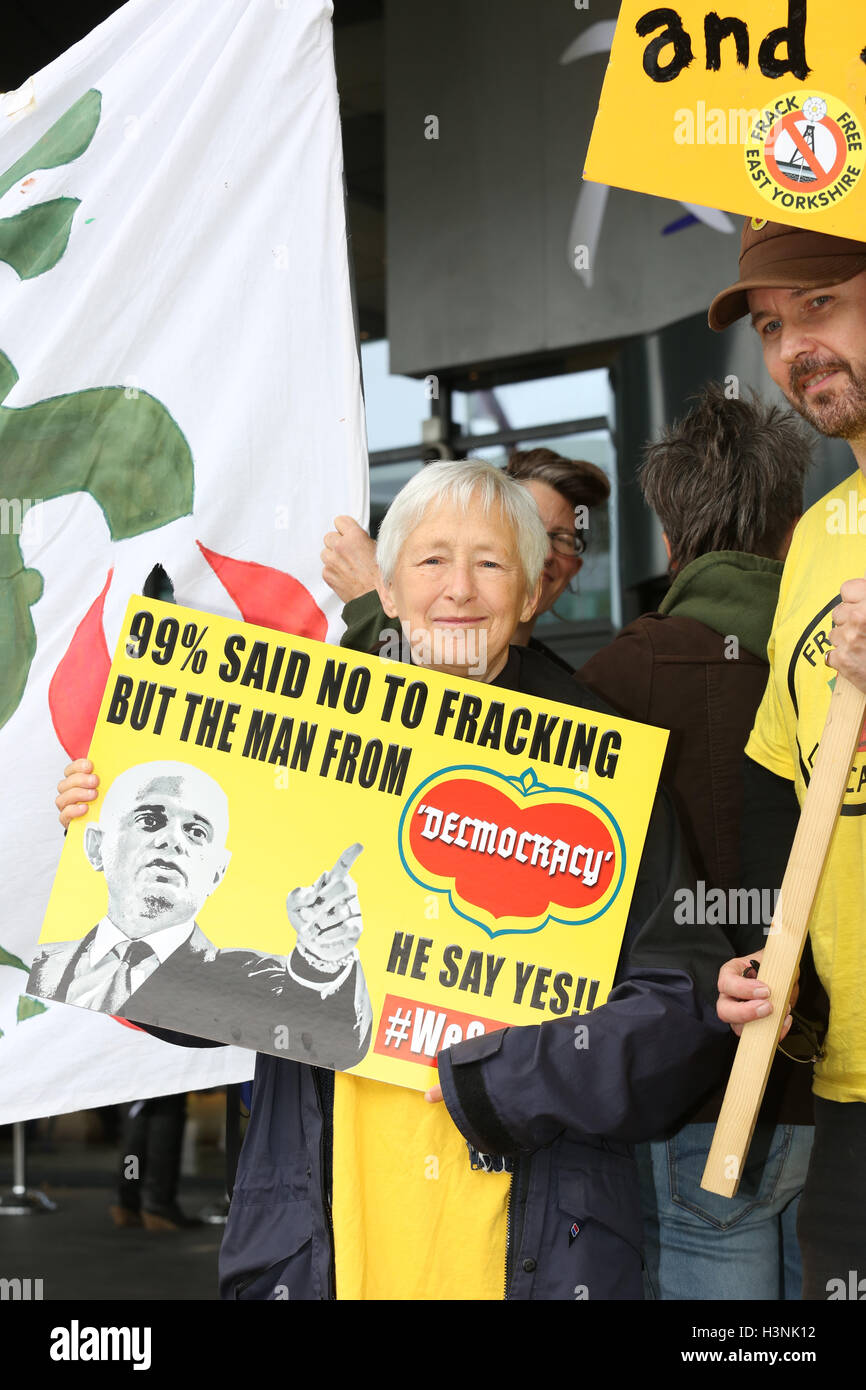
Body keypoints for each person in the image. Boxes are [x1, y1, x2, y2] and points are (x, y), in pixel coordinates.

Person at [62, 459, 739, 1300]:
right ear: (384, 590)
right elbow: (188, 1010)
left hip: (532, 1248)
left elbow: (680, 1002)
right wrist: (120, 863)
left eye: (491, 563)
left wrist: (498, 1081)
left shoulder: (604, 767)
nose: (459, 589)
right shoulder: (295, 739)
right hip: (323, 1245)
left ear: (531, 594)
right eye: (431, 561)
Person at [576, 381, 818, 1299]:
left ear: (669, 539)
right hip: (829, 1087)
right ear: (792, 529)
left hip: (690, 1094)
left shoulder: (610, 680)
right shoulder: (838, 666)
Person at [708, 217, 866, 1300]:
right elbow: (793, 787)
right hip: (847, 1078)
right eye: (770, 325)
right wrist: (765, 960)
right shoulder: (814, 537)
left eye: (819, 304)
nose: (790, 348)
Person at [46, 760, 371, 1069]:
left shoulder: (250, 979)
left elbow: (325, 1036)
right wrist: (77, 817)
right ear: (95, 847)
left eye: (196, 832)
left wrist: (322, 958)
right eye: (149, 820)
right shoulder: (46, 964)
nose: (173, 840)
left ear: (218, 872)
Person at [322, 447, 610, 670]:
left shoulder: (569, 700)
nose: (544, 553)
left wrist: (373, 604)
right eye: (527, 525)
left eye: (561, 538)